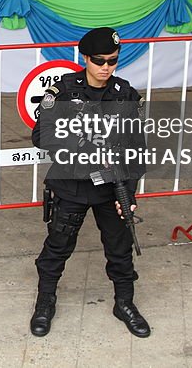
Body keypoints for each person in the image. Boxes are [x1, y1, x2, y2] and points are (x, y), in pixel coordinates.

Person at [29, 27, 151, 339]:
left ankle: (124, 303)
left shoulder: (125, 94)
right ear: (85, 58)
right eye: (99, 60)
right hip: (71, 185)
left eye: (112, 60)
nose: (106, 67)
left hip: (113, 188)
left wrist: (130, 194)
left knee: (120, 249)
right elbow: (41, 136)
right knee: (57, 247)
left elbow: (138, 148)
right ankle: (45, 303)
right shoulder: (64, 91)